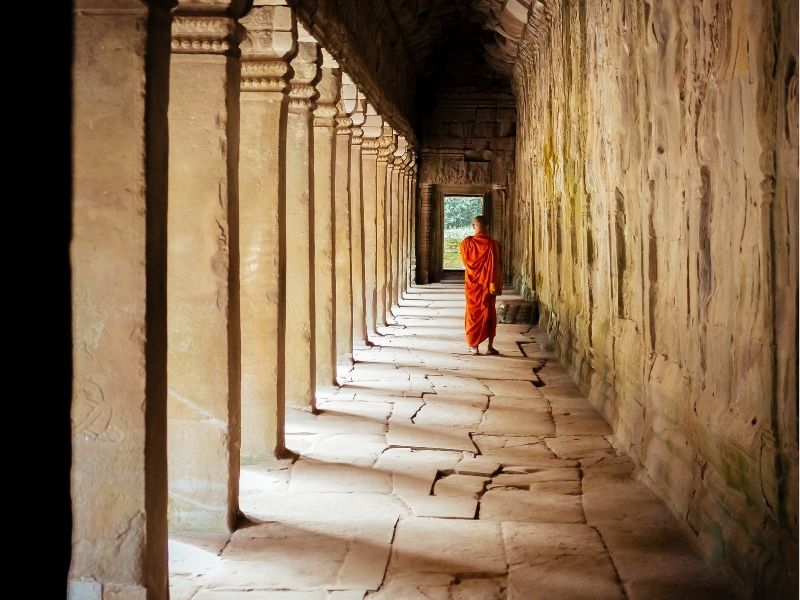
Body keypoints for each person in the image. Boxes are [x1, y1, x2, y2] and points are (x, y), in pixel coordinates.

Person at [459, 214, 502, 355]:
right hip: (487, 286)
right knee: (489, 314)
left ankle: (474, 346)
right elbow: (498, 264)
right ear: (488, 227)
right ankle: (490, 347)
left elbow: (465, 263)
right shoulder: (493, 245)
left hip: (473, 286)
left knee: (473, 314)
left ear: (473, 226)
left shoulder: (467, 243)